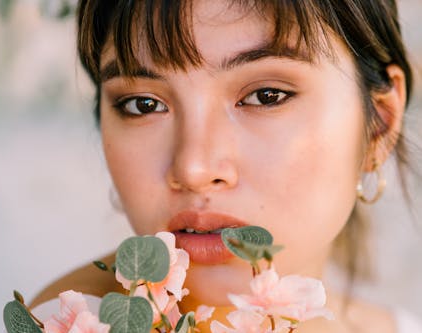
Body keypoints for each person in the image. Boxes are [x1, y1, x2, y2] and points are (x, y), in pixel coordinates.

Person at [30, 0, 422, 332]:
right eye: (143, 104)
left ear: (379, 124)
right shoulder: (73, 320)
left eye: (266, 96)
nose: (193, 168)